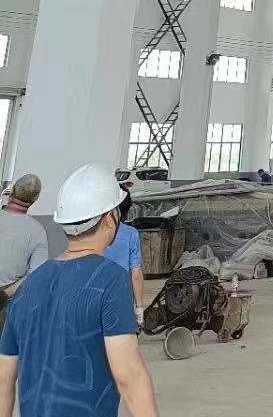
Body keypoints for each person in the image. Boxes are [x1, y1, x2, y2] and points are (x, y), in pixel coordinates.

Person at [0, 163, 160, 417]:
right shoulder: (111, 280)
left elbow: (4, 377)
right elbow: (129, 377)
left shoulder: (30, 284)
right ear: (110, 217)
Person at [0, 176, 47, 330]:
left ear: (12, 190)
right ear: (36, 198)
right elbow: (37, 274)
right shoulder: (38, 231)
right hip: (5, 305)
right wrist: (5, 293)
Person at [103, 192, 145, 329]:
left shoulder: (94, 233)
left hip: (96, 294)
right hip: (122, 297)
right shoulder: (130, 234)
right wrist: (139, 309)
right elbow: (136, 274)